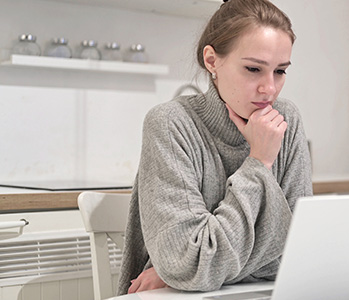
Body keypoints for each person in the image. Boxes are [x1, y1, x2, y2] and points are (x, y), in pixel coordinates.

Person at [117, 0, 313, 294]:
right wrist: (259, 162)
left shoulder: (287, 120)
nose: (269, 88)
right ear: (212, 61)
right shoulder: (170, 124)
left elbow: (299, 254)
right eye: (253, 69)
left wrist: (190, 270)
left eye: (280, 71)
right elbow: (193, 265)